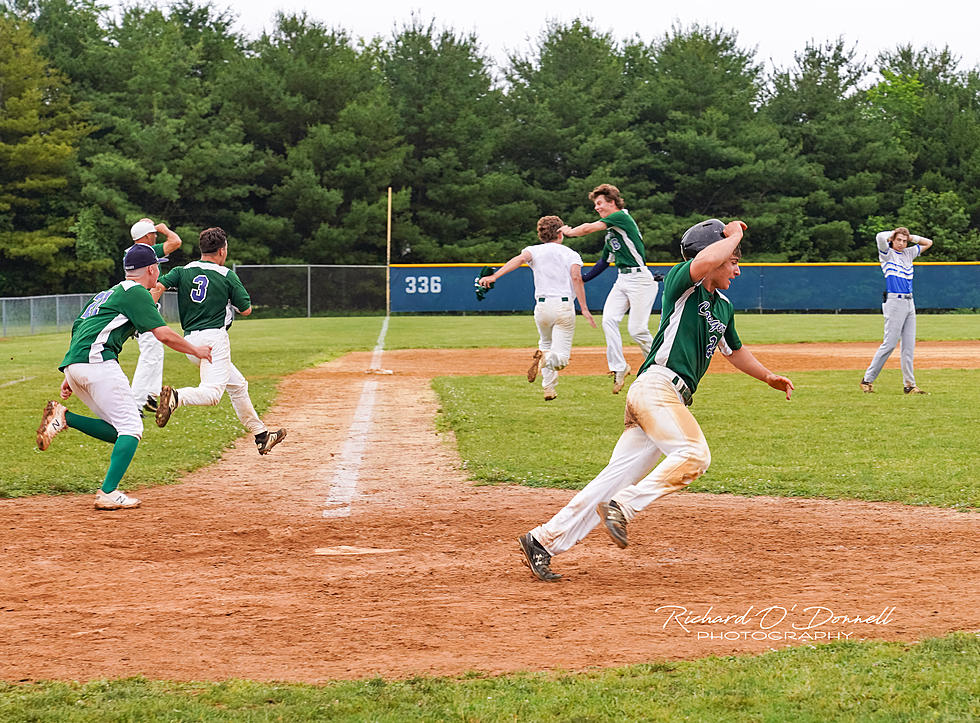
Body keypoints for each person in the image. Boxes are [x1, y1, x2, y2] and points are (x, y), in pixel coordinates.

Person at [517, 218, 795, 581]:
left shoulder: (723, 306)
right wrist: (736, 233)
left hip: (664, 398)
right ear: (710, 257)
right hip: (657, 387)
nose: (737, 269)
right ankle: (624, 506)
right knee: (695, 455)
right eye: (733, 260)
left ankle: (541, 540)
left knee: (610, 482)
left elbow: (734, 352)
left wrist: (769, 376)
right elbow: (706, 262)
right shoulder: (683, 284)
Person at [35, 245, 212, 510]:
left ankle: (64, 417)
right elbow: (162, 334)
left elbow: (79, 328)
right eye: (158, 267)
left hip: (78, 364)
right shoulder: (136, 292)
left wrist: (70, 371)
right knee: (132, 428)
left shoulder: (108, 293)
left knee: (120, 430)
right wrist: (196, 350)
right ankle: (108, 492)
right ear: (152, 269)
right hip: (97, 363)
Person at [152, 226, 286, 455]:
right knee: (213, 394)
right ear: (222, 251)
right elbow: (246, 310)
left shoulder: (183, 270)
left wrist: (150, 314)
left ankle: (262, 435)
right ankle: (177, 397)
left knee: (238, 385)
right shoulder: (226, 275)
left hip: (191, 343)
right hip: (214, 340)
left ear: (202, 249)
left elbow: (157, 287)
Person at [479, 216, 596, 400]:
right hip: (563, 306)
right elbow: (576, 278)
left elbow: (518, 260)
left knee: (546, 344)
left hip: (542, 307)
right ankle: (546, 359)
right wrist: (584, 308)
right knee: (561, 359)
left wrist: (495, 276)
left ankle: (548, 388)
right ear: (560, 233)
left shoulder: (533, 250)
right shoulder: (570, 254)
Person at [560, 184, 660, 395]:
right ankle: (619, 367)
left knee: (637, 330)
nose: (597, 207)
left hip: (640, 279)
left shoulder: (621, 217)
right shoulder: (612, 234)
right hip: (623, 279)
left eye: (599, 203)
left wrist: (569, 232)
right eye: (595, 204)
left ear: (612, 202)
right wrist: (584, 278)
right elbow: (604, 261)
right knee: (609, 320)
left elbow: (587, 228)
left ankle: (660, 365)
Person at [860, 227, 933, 394]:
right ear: (892, 240)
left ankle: (910, 385)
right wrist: (895, 233)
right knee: (890, 344)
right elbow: (880, 236)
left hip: (909, 302)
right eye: (899, 240)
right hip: (894, 302)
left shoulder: (908, 254)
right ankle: (867, 380)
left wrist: (910, 236)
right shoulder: (887, 253)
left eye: (904, 241)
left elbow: (929, 242)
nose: (901, 243)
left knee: (909, 346)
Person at [126, 218, 183, 416]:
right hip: (143, 305)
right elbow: (176, 242)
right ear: (145, 236)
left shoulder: (133, 252)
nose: (155, 236)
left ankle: (149, 395)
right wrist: (165, 229)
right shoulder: (146, 251)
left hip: (141, 303)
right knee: (150, 352)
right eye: (152, 234)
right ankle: (135, 402)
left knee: (156, 351)